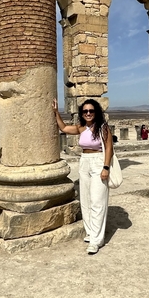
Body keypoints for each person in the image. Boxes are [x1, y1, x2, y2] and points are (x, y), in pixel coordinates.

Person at [53, 98, 113, 255]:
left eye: (91, 111)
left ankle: (96, 240)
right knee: (85, 200)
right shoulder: (81, 127)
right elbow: (64, 128)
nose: (88, 113)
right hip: (84, 162)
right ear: (82, 113)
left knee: (97, 201)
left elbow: (109, 148)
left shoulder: (103, 127)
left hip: (99, 161)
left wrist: (105, 167)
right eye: (85, 111)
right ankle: (90, 232)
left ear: (96, 112)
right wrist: (56, 112)